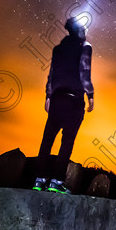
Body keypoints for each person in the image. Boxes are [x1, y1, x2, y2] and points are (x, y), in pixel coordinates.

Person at [32, 16, 94, 194]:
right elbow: (84, 73)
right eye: (84, 28)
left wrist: (48, 96)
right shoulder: (85, 47)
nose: (86, 31)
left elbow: (51, 74)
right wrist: (90, 94)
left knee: (47, 140)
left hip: (57, 98)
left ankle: (39, 179)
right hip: (73, 100)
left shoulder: (58, 49)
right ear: (80, 31)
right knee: (67, 142)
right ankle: (56, 182)